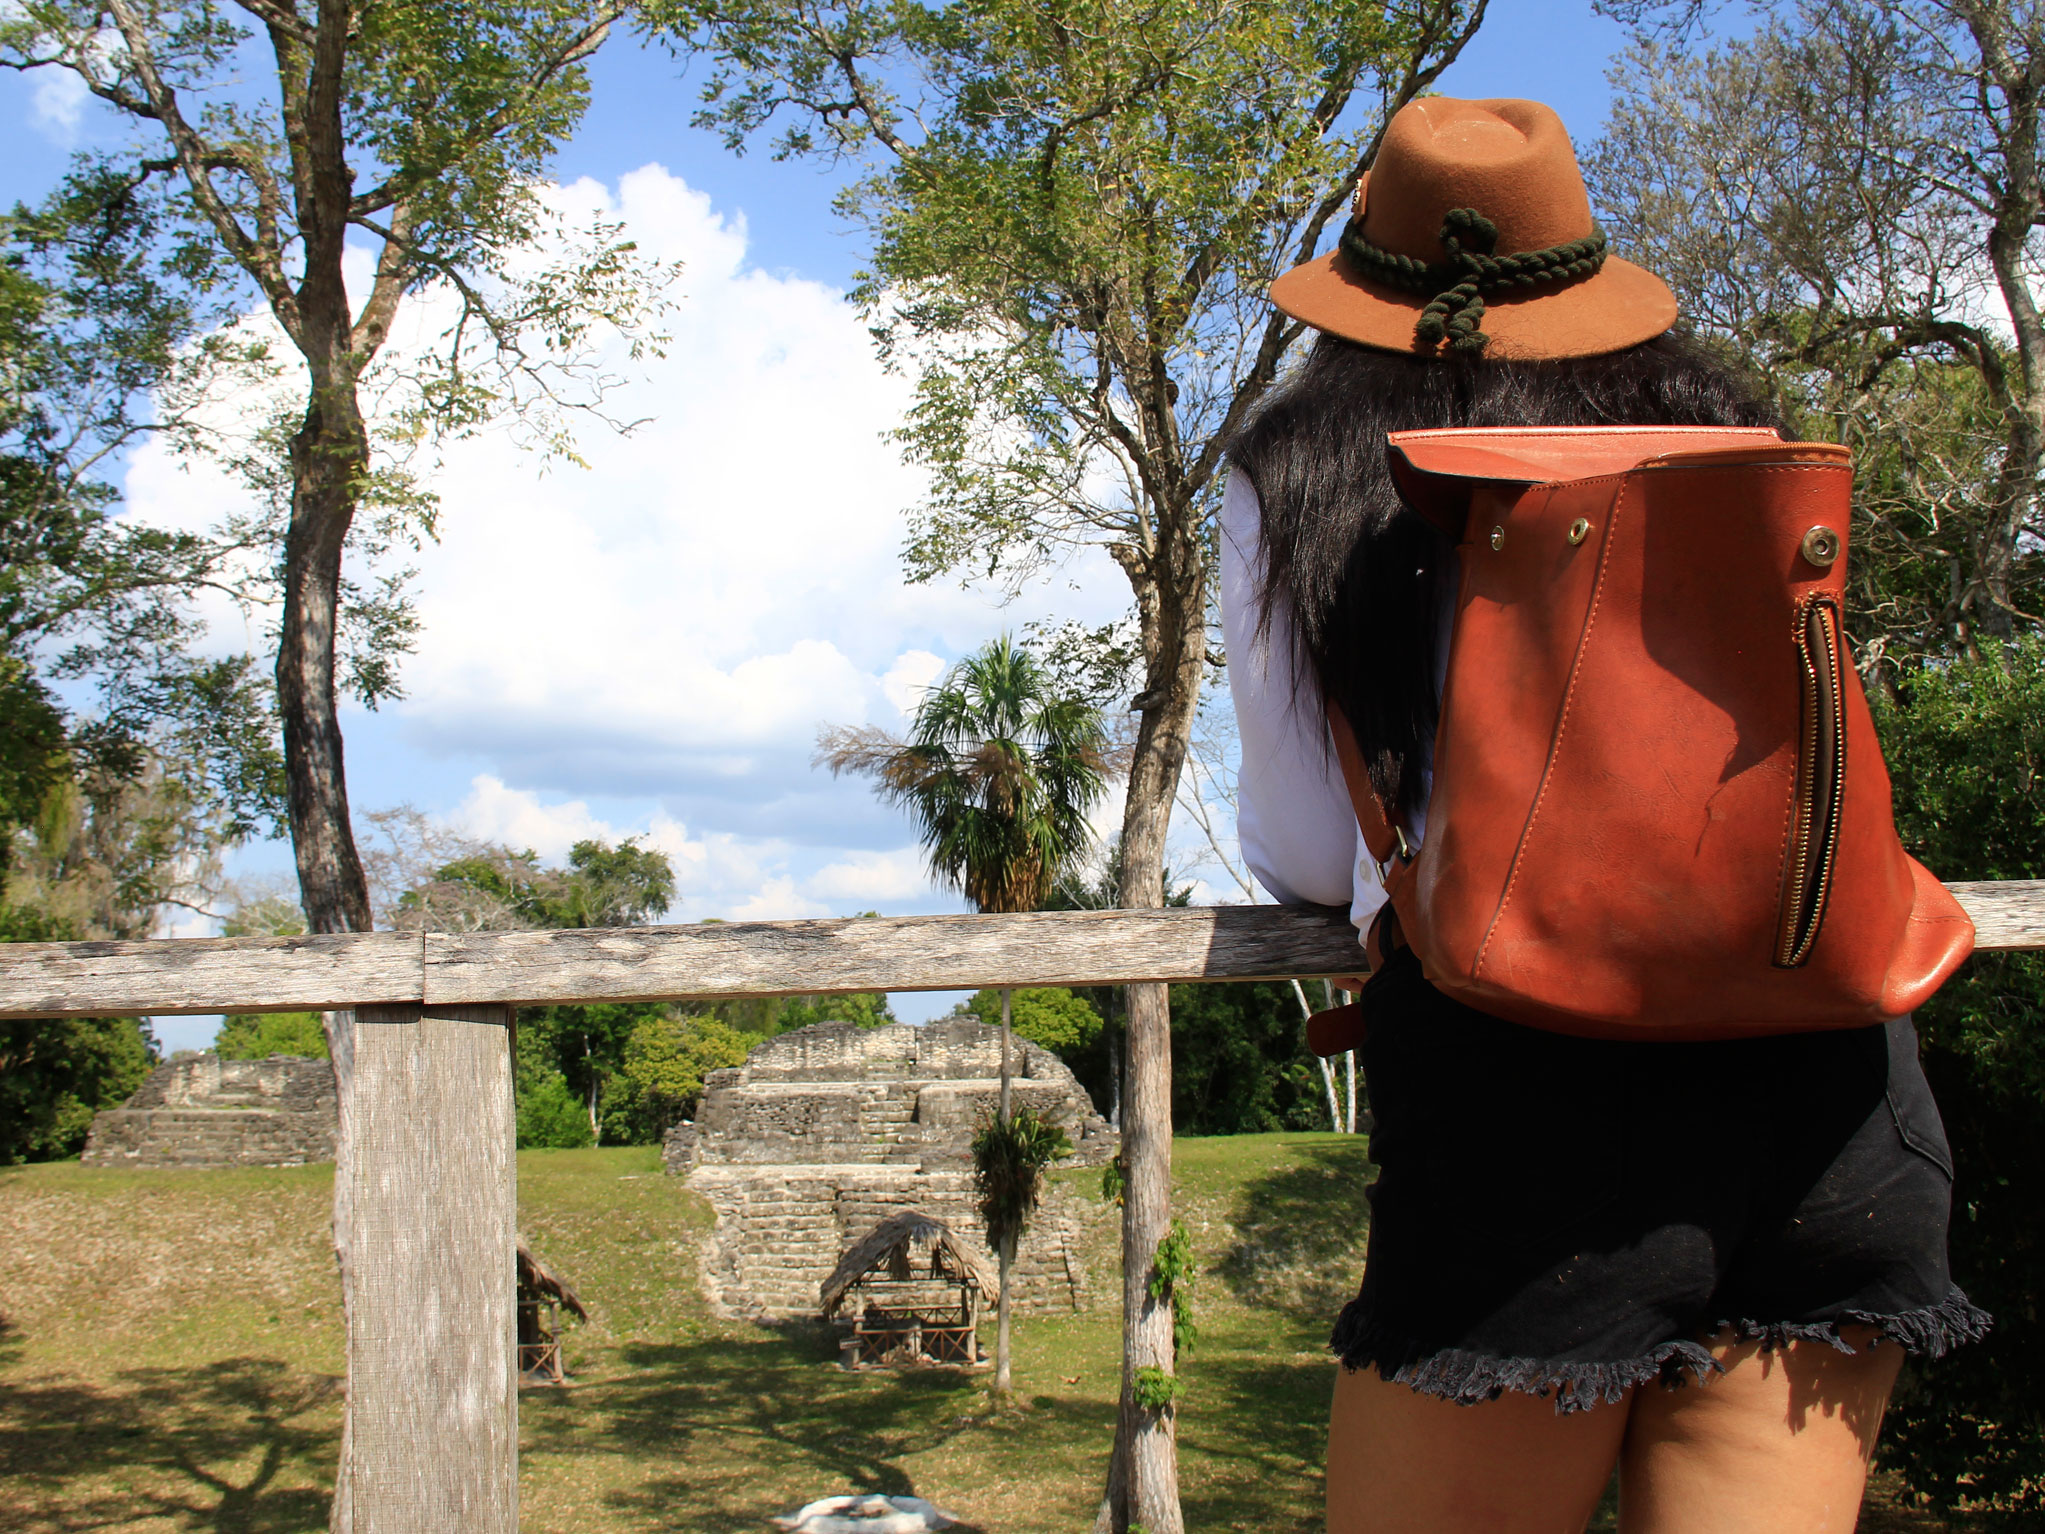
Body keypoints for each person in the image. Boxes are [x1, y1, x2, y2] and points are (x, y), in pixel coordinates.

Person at [1220, 97, 1989, 1534]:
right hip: (1825, 1074)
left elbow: (1311, 853)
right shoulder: (1736, 442)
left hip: (1524, 1100)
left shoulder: (1297, 474)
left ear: (1364, 283)